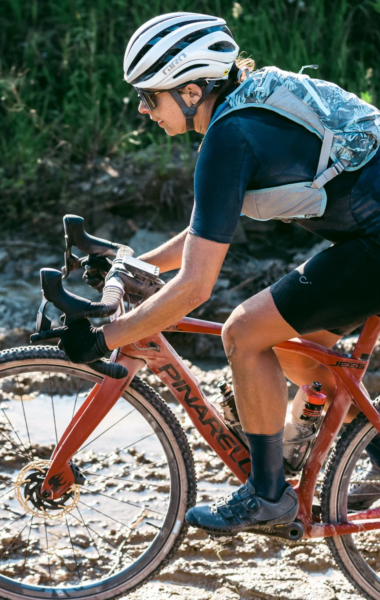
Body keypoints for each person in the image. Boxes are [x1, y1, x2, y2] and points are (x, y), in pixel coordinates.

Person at [33, 12, 380, 534]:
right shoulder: (248, 108)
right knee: (289, 347)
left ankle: (267, 496)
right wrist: (141, 263)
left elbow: (196, 286)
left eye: (151, 96)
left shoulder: (230, 137)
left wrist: (108, 336)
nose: (144, 109)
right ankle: (365, 448)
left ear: (193, 90)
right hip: (367, 237)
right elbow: (207, 229)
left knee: (243, 331)